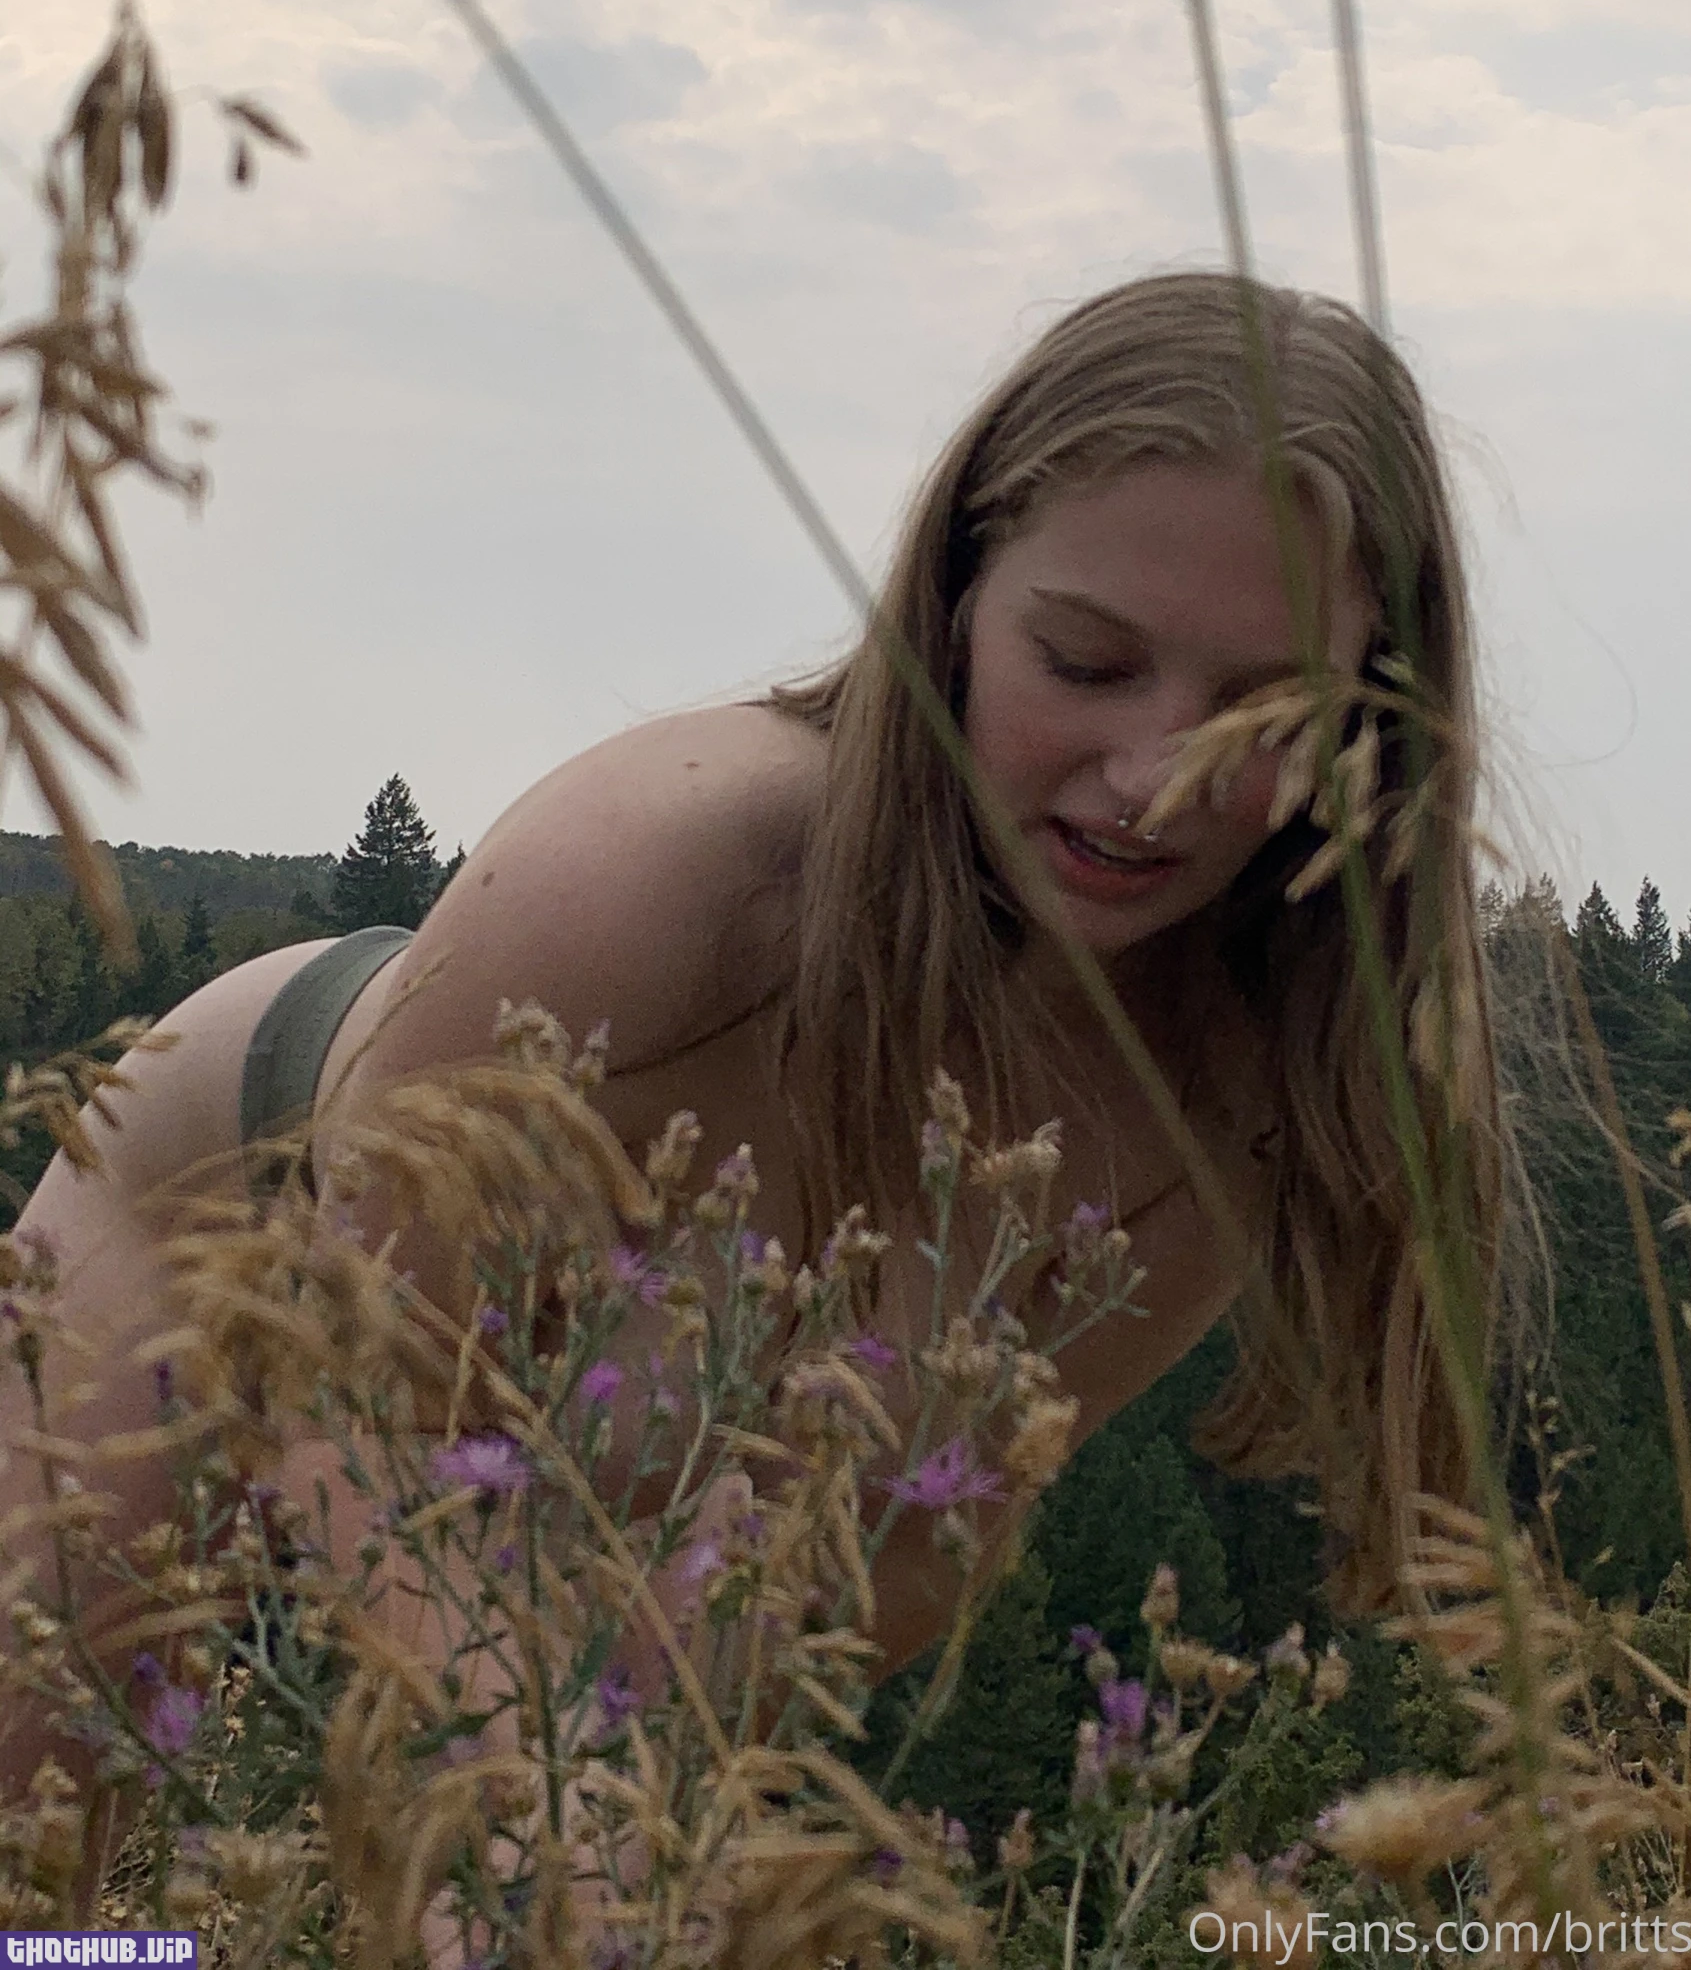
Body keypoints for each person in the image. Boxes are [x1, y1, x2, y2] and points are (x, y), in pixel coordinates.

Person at [0, 269, 1513, 1814]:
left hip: (583, 1472)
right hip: (229, 1202)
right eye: (1085, 662)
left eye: (1266, 713)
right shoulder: (659, 865)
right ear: (957, 600)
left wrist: (620, 1789)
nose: (1155, 780)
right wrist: (537, 1806)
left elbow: (904, 1553)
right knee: (40, 1849)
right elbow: (360, 1402)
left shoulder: (1244, 1102)